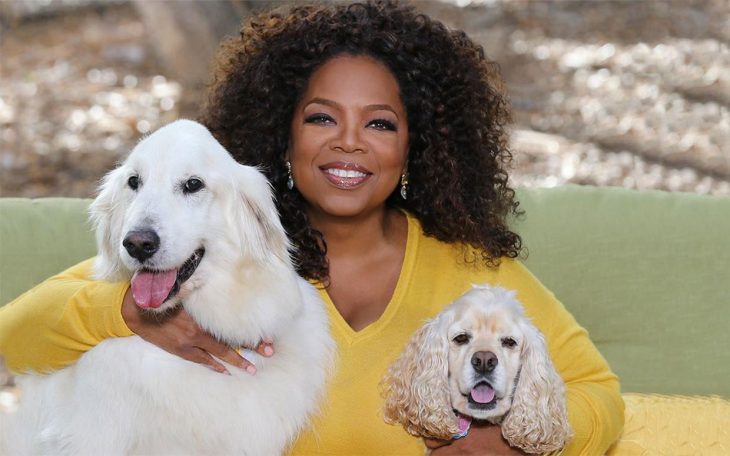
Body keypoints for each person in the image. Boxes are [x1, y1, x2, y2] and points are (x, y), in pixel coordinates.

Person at [0, 1, 624, 454]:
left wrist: (510, 444)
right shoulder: (233, 251)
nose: (349, 143)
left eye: (380, 124)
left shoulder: (469, 275)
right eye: (322, 118)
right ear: (284, 132)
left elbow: (598, 393)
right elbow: (20, 335)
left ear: (417, 147)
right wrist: (126, 314)